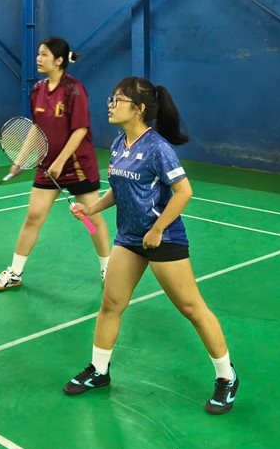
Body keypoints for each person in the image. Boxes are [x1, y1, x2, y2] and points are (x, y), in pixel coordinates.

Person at [63, 76, 240, 415]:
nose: (111, 104)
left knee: (191, 308)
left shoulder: (158, 148)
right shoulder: (120, 143)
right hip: (129, 238)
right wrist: (91, 209)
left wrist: (158, 229)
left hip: (163, 239)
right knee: (111, 304)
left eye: (118, 99)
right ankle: (99, 370)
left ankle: (226, 377)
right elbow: (120, 188)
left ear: (139, 108)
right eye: (112, 98)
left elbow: (184, 192)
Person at [0, 36, 112, 291]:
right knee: (33, 216)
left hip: (77, 166)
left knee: (90, 220)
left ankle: (107, 268)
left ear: (58, 60)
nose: (38, 58)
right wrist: (21, 159)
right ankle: (15, 272)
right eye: (38, 53)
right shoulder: (38, 90)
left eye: (44, 54)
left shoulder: (74, 90)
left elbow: (80, 130)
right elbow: (36, 129)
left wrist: (61, 160)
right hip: (47, 167)